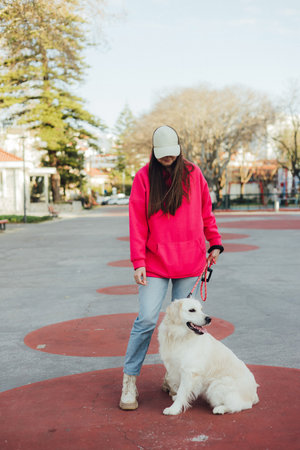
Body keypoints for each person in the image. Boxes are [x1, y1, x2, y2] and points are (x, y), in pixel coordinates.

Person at [119, 125, 224, 410]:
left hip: (190, 261)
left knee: (189, 325)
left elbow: (206, 211)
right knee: (146, 320)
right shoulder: (143, 177)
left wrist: (214, 242)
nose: (167, 159)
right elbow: (137, 223)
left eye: (171, 154)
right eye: (162, 155)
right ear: (154, 153)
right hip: (153, 262)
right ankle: (130, 380)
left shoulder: (193, 173)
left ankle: (174, 378)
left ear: (178, 150)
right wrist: (138, 262)